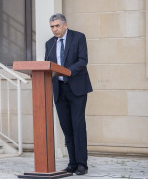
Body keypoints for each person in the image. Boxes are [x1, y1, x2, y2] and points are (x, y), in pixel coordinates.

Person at [44, 13, 93, 175]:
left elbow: (82, 61)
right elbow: (47, 65)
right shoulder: (49, 44)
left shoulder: (78, 37)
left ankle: (82, 164)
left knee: (78, 125)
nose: (54, 29)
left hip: (77, 88)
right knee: (66, 127)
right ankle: (72, 163)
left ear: (65, 25)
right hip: (59, 89)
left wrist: (66, 71)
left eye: (57, 26)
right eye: (52, 27)